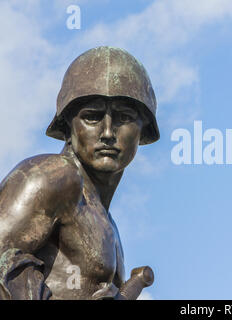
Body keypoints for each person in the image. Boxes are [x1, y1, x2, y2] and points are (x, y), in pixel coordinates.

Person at [0, 46, 158, 300]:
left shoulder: (108, 224)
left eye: (123, 118)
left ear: (144, 130)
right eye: (92, 117)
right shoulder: (51, 176)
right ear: (68, 126)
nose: (108, 132)